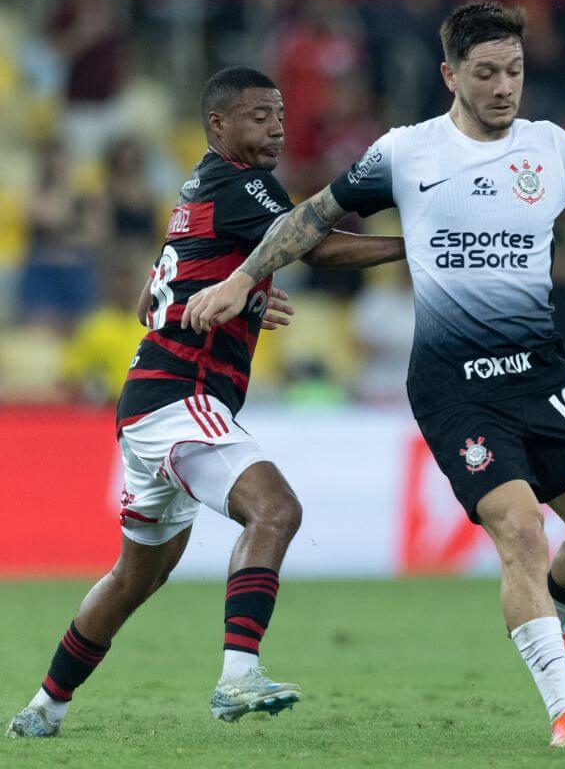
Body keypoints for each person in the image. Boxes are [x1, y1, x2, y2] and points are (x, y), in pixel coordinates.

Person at [180, 1, 565, 749]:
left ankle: (558, 625)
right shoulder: (405, 152)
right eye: (486, 72)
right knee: (520, 530)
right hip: (454, 386)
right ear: (450, 75)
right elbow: (309, 219)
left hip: (539, 376)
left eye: (514, 70)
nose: (505, 85)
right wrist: (242, 279)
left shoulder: (553, 150)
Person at [6, 66, 406, 738]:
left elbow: (147, 302)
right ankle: (238, 675)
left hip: (148, 404)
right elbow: (319, 249)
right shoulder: (243, 184)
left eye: (279, 113)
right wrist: (419, 248)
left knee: (136, 578)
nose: (276, 124)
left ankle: (46, 705)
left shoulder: (198, 189)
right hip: (179, 397)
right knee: (276, 510)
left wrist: (242, 292)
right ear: (218, 124)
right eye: (257, 115)